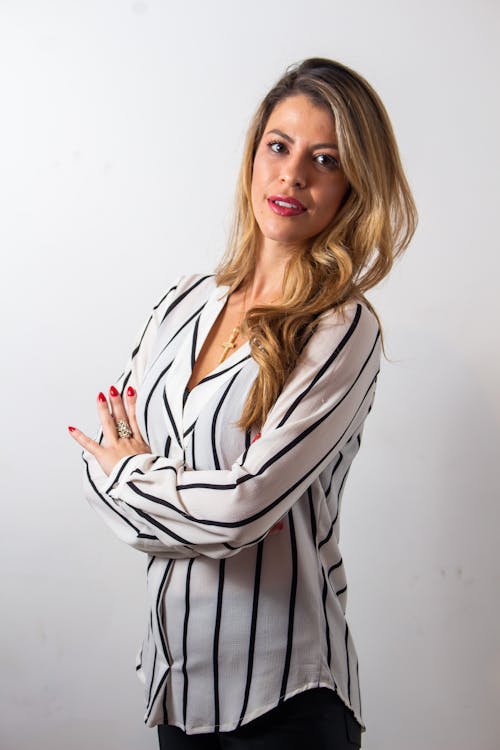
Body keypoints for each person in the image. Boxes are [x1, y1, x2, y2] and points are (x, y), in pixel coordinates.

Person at [68, 57, 417, 749]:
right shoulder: (180, 302)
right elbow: (97, 462)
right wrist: (182, 495)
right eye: (279, 147)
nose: (293, 176)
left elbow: (244, 507)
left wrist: (136, 480)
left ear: (355, 186)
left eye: (326, 159)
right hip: (177, 685)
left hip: (285, 702)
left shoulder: (342, 327)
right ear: (254, 156)